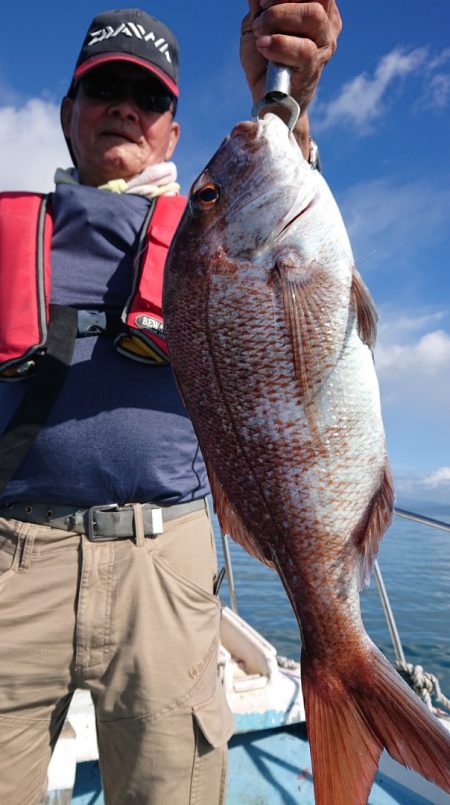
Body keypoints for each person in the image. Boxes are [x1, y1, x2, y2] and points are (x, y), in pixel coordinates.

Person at [0, 3, 341, 803]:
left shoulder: (212, 230)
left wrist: (288, 102)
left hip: (167, 565)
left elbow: (281, 220)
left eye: (148, 97)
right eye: (104, 87)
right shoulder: (11, 232)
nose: (125, 105)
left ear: (172, 136)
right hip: (12, 560)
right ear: (67, 115)